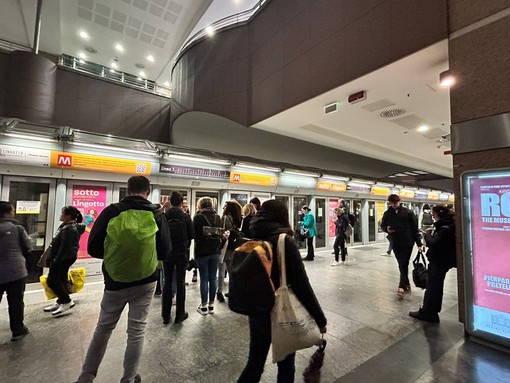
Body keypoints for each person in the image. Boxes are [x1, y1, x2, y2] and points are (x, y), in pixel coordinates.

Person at [75, 176, 171, 383]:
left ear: (127, 190)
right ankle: (128, 378)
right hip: (146, 280)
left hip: (115, 281)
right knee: (136, 330)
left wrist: (115, 256)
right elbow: (165, 250)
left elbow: (93, 247)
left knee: (103, 328)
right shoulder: (156, 214)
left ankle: (86, 377)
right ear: (148, 190)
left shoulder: (112, 211)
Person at [237, 200, 327, 382]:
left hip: (258, 311)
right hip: (281, 311)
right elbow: (302, 284)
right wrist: (320, 319)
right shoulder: (284, 241)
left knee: (254, 363)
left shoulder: (253, 235)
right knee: (286, 365)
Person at [409, 205, 456, 322]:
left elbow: (434, 243)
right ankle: (432, 311)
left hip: (439, 261)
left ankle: (427, 312)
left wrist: (427, 235)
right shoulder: (448, 225)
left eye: (434, 215)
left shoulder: (445, 228)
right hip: (442, 260)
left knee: (432, 287)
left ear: (439, 215)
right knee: (435, 287)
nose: (433, 217)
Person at [0, 201, 32, 341]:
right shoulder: (17, 228)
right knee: (16, 301)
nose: (14, 213)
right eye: (12, 210)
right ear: (7, 212)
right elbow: (28, 245)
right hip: (16, 270)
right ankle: (18, 329)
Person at [380, 194, 423, 299]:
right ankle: (406, 283)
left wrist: (419, 243)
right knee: (401, 263)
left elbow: (414, 229)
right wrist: (387, 229)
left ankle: (401, 286)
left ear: (399, 202)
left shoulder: (408, 213)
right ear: (389, 203)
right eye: (392, 203)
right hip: (395, 242)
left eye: (396, 203)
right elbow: (383, 225)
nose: (394, 205)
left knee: (403, 262)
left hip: (407, 242)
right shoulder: (387, 214)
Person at [45, 206, 85, 316]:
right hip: (65, 257)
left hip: (63, 258)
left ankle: (66, 301)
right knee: (61, 279)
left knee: (52, 281)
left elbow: (64, 248)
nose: (60, 215)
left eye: (62, 213)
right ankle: (61, 301)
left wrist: (55, 260)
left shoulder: (69, 229)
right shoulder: (67, 227)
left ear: (68, 216)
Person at [162, 191, 194, 324]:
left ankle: (165, 315)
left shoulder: (164, 216)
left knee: (167, 282)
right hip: (181, 253)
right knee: (180, 283)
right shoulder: (185, 217)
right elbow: (191, 235)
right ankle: (180, 314)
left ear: (170, 201)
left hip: (167, 253)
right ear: (181, 203)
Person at [193, 197, 227, 315]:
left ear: (200, 205)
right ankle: (212, 305)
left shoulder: (198, 217)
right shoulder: (218, 218)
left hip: (202, 252)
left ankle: (203, 306)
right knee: (213, 278)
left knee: (204, 278)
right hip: (215, 251)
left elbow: (194, 234)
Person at [217, 200, 242, 303]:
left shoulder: (225, 218)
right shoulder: (239, 219)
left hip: (225, 246)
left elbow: (221, 231)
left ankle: (219, 292)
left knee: (221, 269)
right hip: (233, 246)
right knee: (232, 270)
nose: (223, 208)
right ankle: (233, 291)